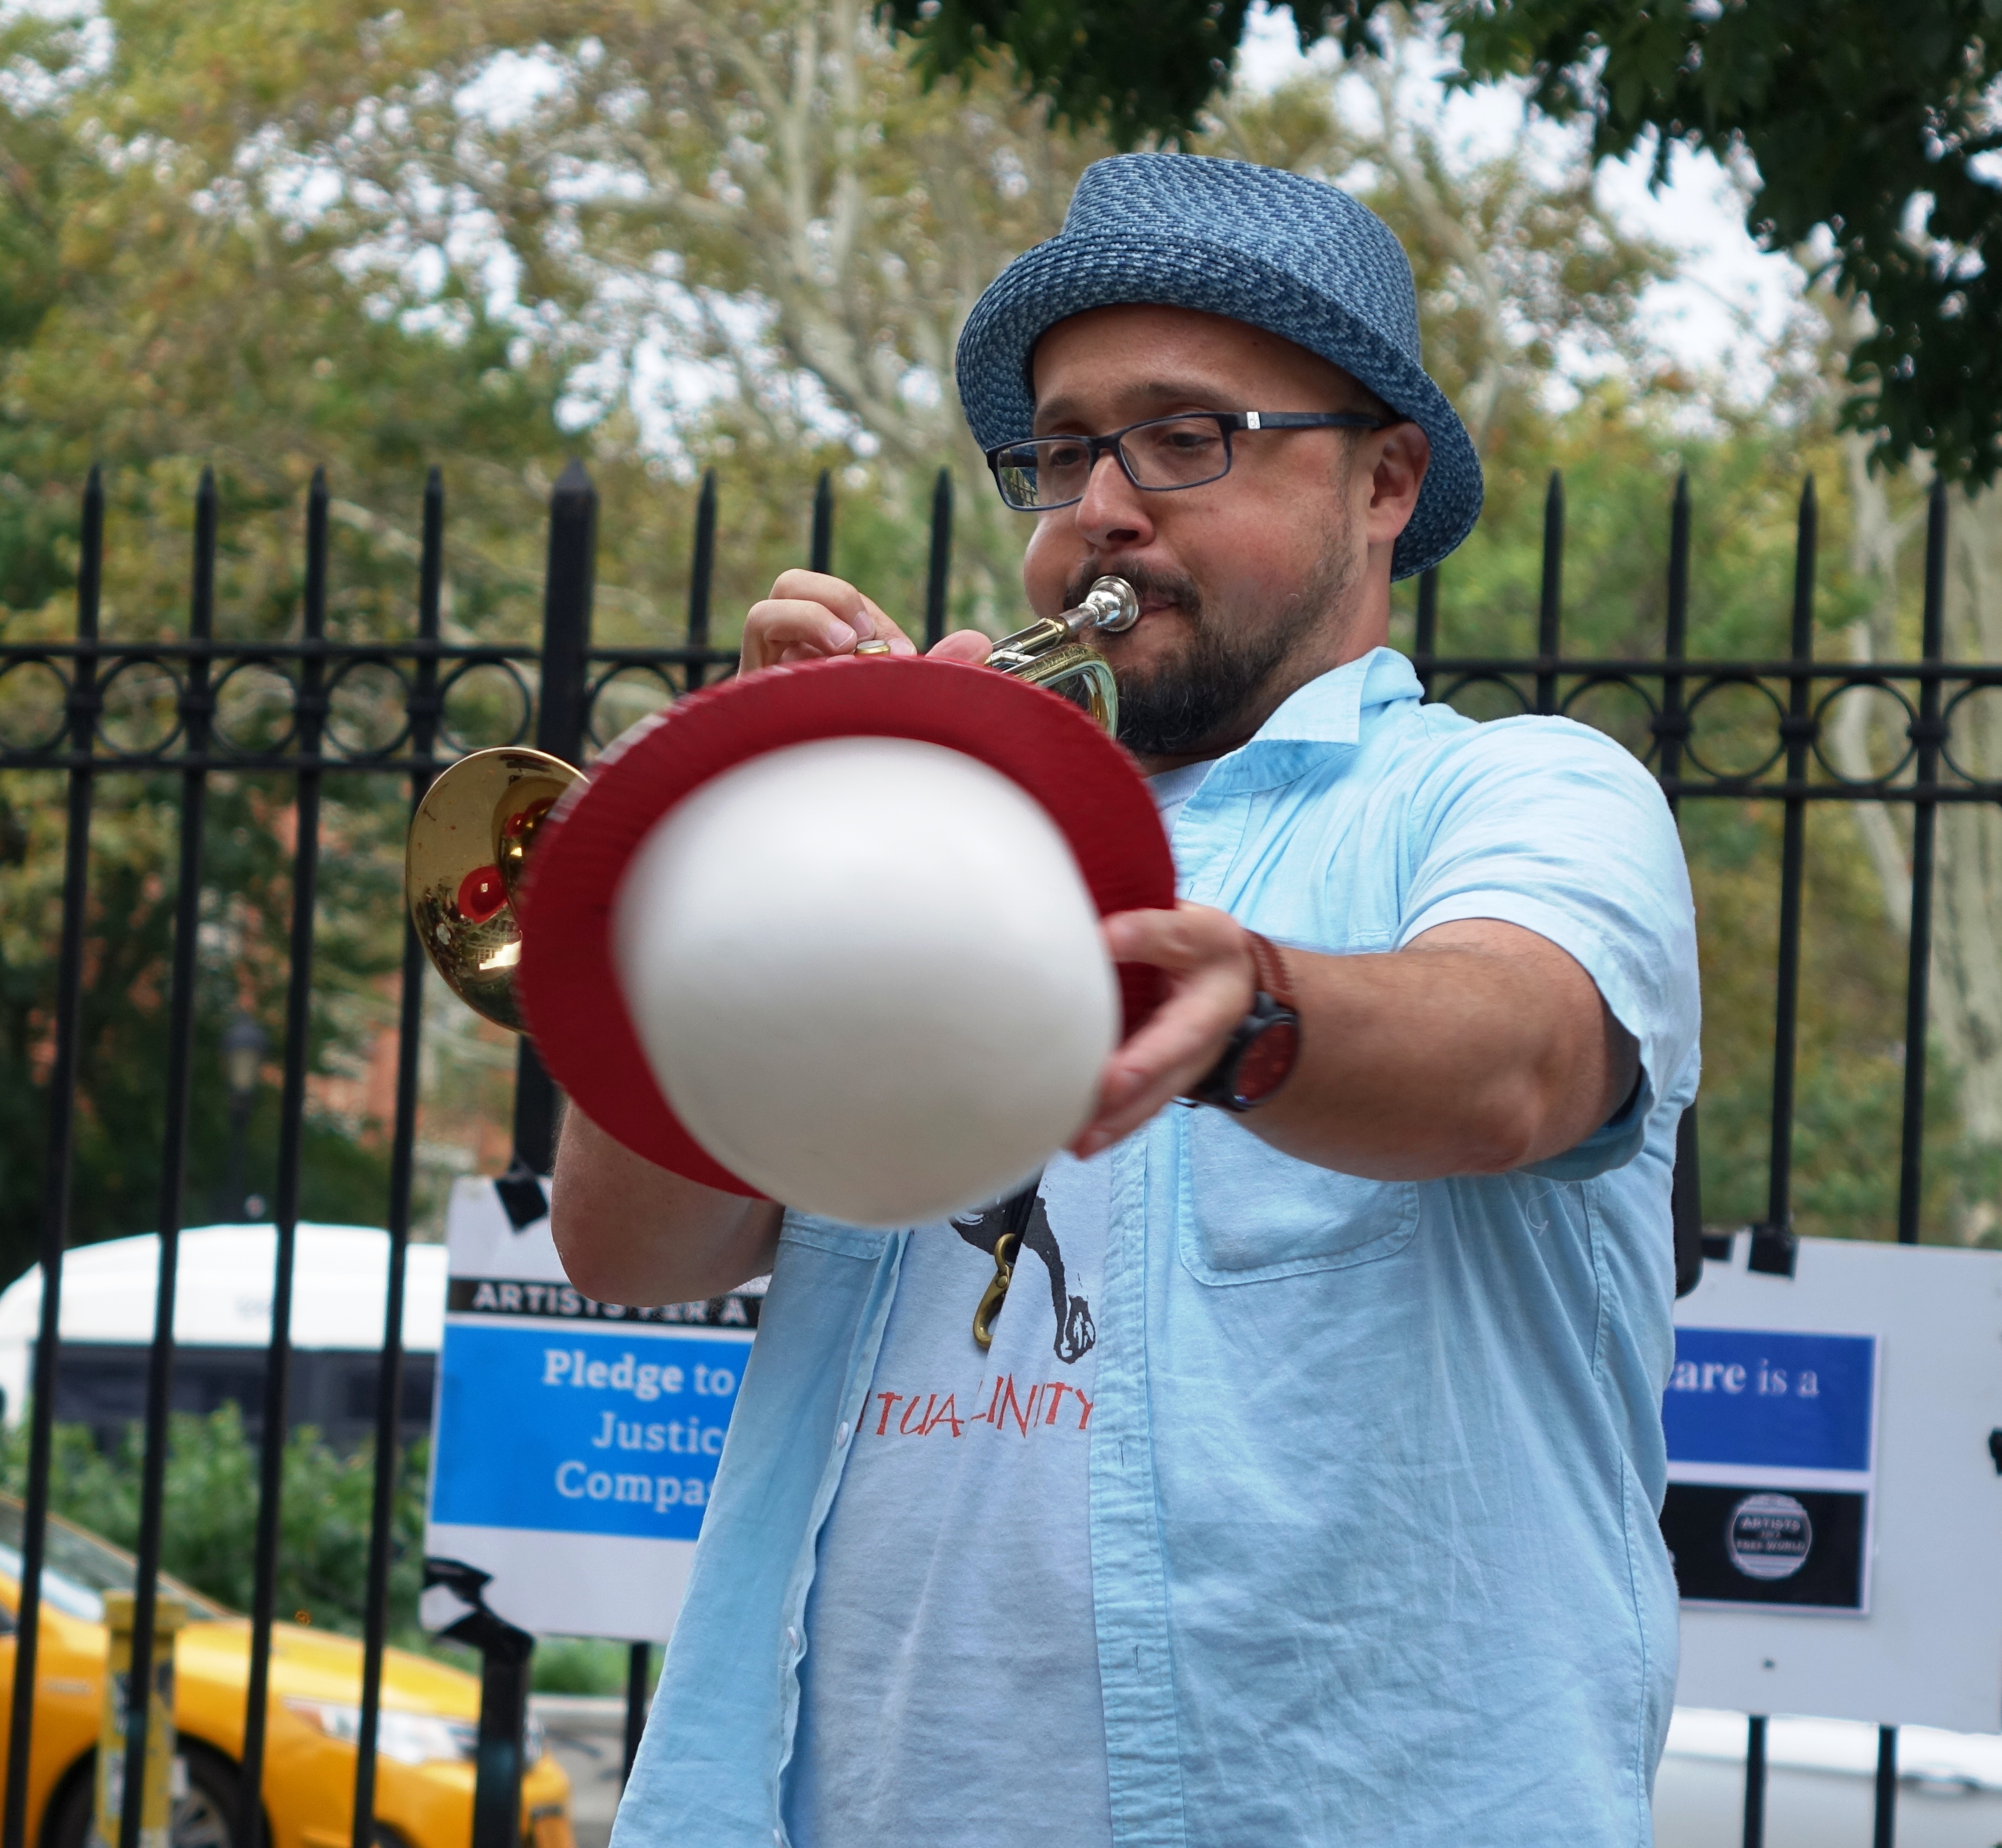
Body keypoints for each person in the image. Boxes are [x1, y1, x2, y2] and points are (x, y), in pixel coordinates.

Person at [562, 152, 1699, 1847]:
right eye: (1065, 448)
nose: (1101, 506)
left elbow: (1512, 1065)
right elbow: (631, 1251)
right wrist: (731, 848)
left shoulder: (1517, 793)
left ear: (1382, 483)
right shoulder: (916, 840)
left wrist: (1251, 1006)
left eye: (1187, 440)